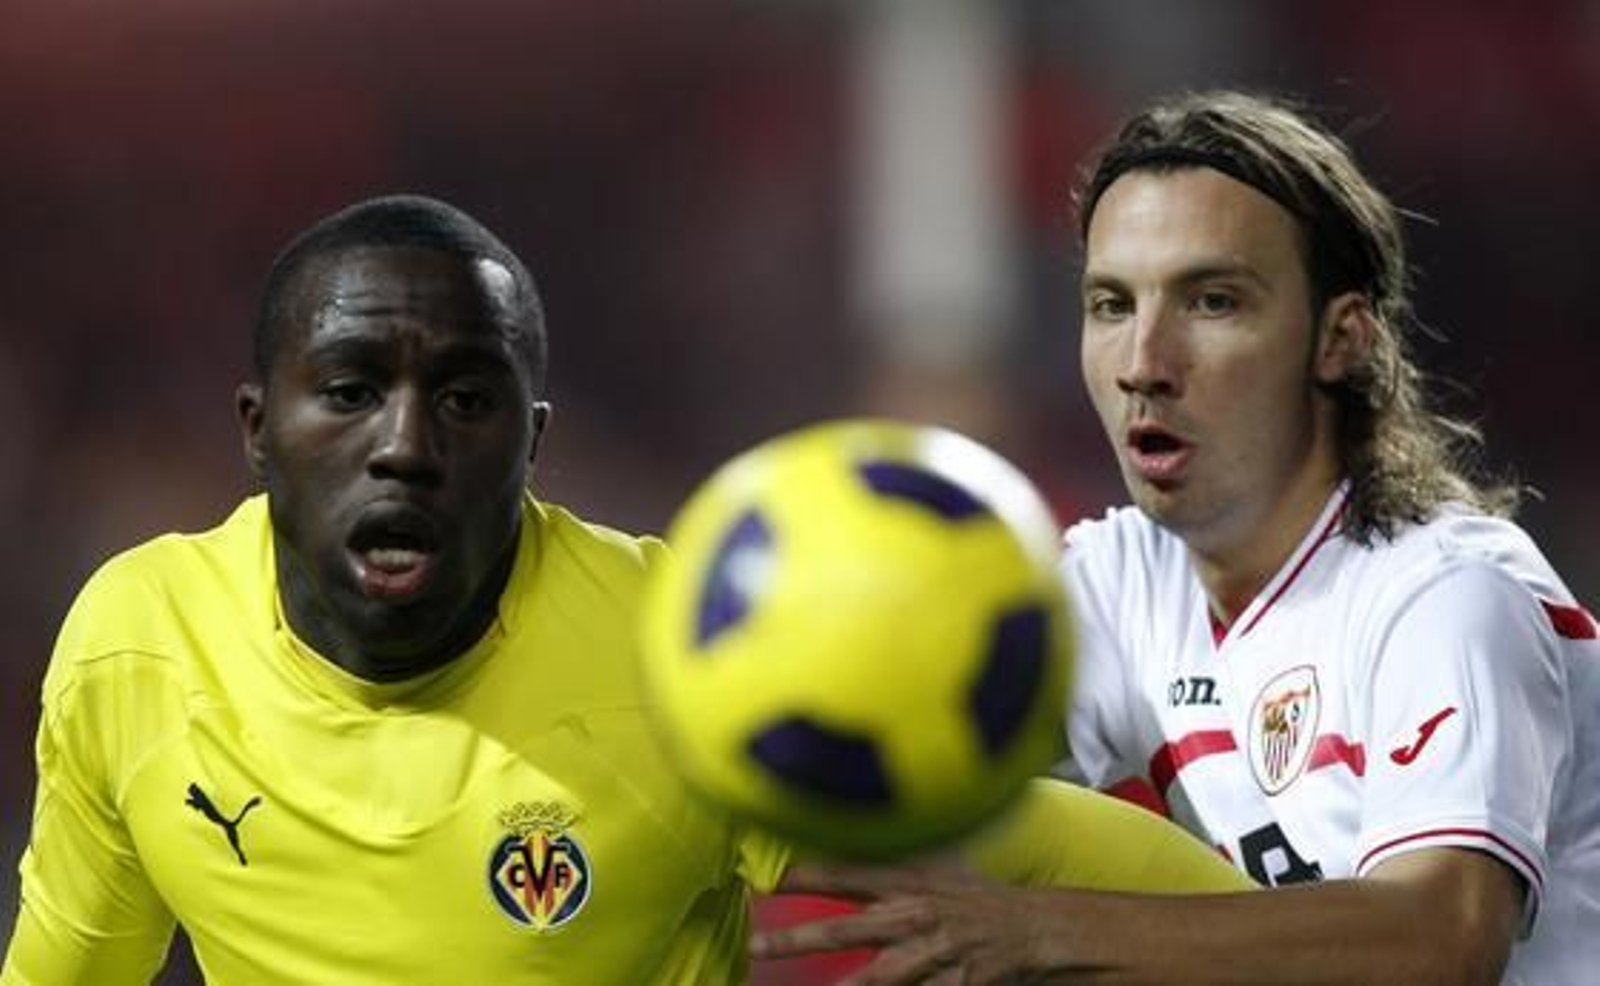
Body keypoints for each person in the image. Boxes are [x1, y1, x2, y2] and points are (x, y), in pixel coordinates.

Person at [2, 194, 1251, 985]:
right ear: (256, 430)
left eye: (465, 398)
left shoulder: (684, 654)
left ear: (532, 443)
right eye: (345, 390)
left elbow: (1048, 848)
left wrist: (1345, 940)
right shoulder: (138, 642)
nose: (404, 444)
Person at [752, 90, 1600, 984]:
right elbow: (900, 728)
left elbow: (1440, 939)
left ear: (1339, 339)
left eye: (1213, 301)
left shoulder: (1448, 597)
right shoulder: (1128, 579)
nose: (1144, 365)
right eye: (1112, 305)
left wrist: (1037, 931)